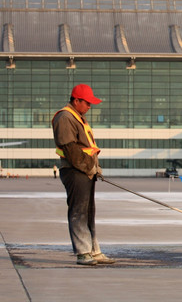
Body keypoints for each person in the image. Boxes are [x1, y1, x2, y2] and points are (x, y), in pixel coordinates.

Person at [51, 84, 115, 266]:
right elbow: (70, 148)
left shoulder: (78, 117)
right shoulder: (65, 117)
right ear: (76, 100)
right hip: (75, 170)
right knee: (78, 211)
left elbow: (87, 148)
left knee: (88, 212)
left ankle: (94, 251)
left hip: (85, 171)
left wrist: (95, 167)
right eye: (87, 103)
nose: (89, 107)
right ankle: (83, 252)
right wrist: (89, 167)